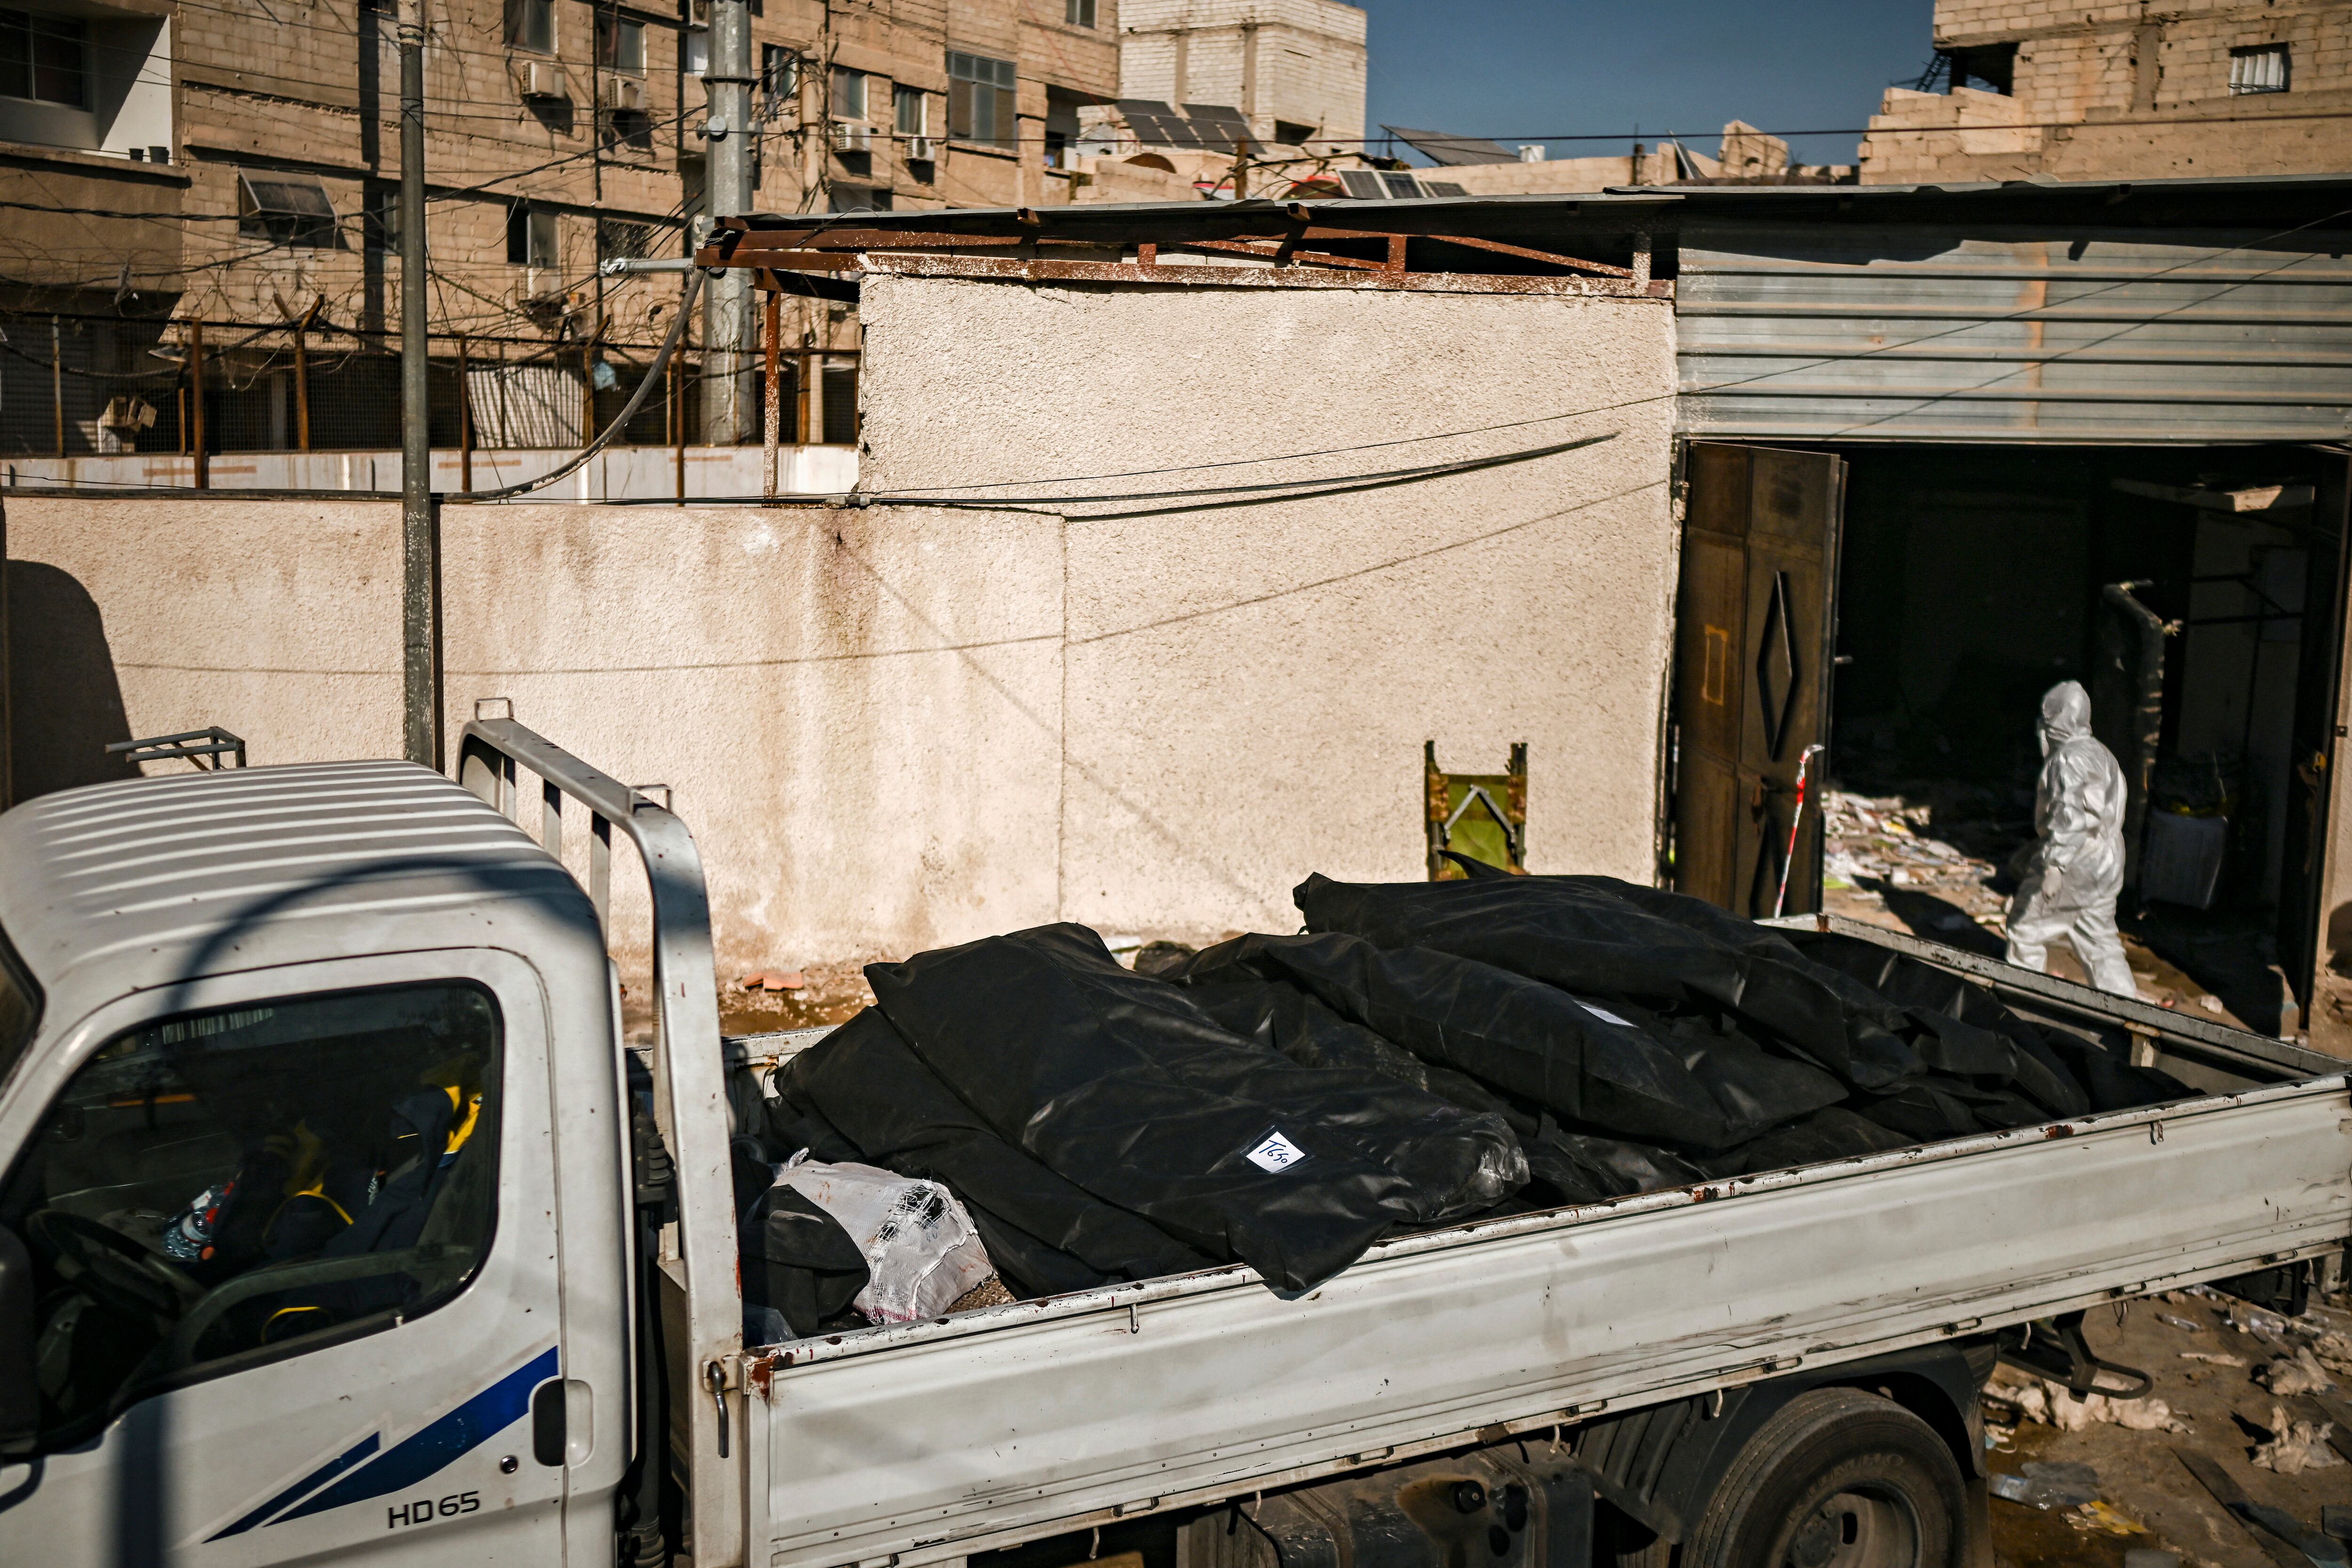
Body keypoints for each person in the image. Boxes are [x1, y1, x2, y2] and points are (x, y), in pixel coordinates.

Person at [2005, 680, 2138, 997]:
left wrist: (2055, 865)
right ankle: (2127, 1009)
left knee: (2025, 927)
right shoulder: (2103, 754)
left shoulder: (2069, 759)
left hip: (2077, 857)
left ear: (2058, 720)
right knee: (2099, 938)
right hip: (2107, 856)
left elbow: (2070, 814)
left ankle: (2021, 1003)